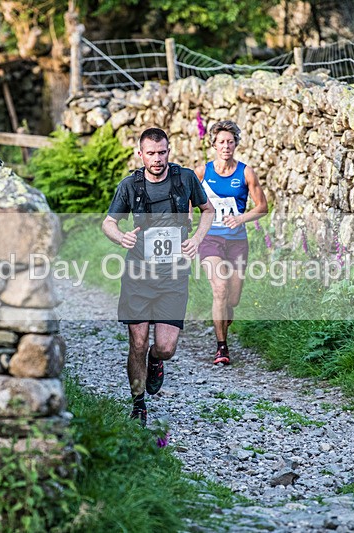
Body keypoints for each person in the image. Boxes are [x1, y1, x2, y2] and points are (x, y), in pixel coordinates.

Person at [102, 127, 214, 426]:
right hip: (138, 274)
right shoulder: (130, 185)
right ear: (140, 154)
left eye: (162, 152)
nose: (157, 158)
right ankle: (138, 404)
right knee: (137, 343)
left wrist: (197, 239)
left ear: (168, 151)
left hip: (173, 275)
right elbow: (108, 223)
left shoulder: (185, 178)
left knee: (165, 348)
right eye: (150, 153)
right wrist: (120, 237)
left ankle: (155, 362)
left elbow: (207, 211)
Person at [194, 120, 268, 366]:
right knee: (220, 289)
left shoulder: (245, 172)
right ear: (213, 144)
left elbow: (262, 207)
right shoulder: (203, 172)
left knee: (232, 300)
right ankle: (221, 348)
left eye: (230, 141)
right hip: (211, 239)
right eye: (221, 142)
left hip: (237, 241)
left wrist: (241, 218)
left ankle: (224, 320)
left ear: (236, 143)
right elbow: (186, 201)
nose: (226, 146)